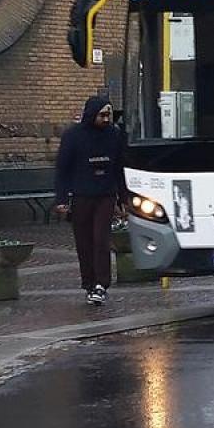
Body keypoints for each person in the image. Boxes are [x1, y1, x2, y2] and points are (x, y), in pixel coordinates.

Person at [54, 95, 126, 306]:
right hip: (82, 195)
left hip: (105, 194)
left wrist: (124, 198)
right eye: (102, 115)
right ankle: (89, 282)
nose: (106, 119)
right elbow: (62, 168)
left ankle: (101, 284)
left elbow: (119, 167)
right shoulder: (73, 136)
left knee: (101, 239)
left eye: (109, 115)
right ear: (91, 114)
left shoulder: (114, 135)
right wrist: (61, 198)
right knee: (84, 242)